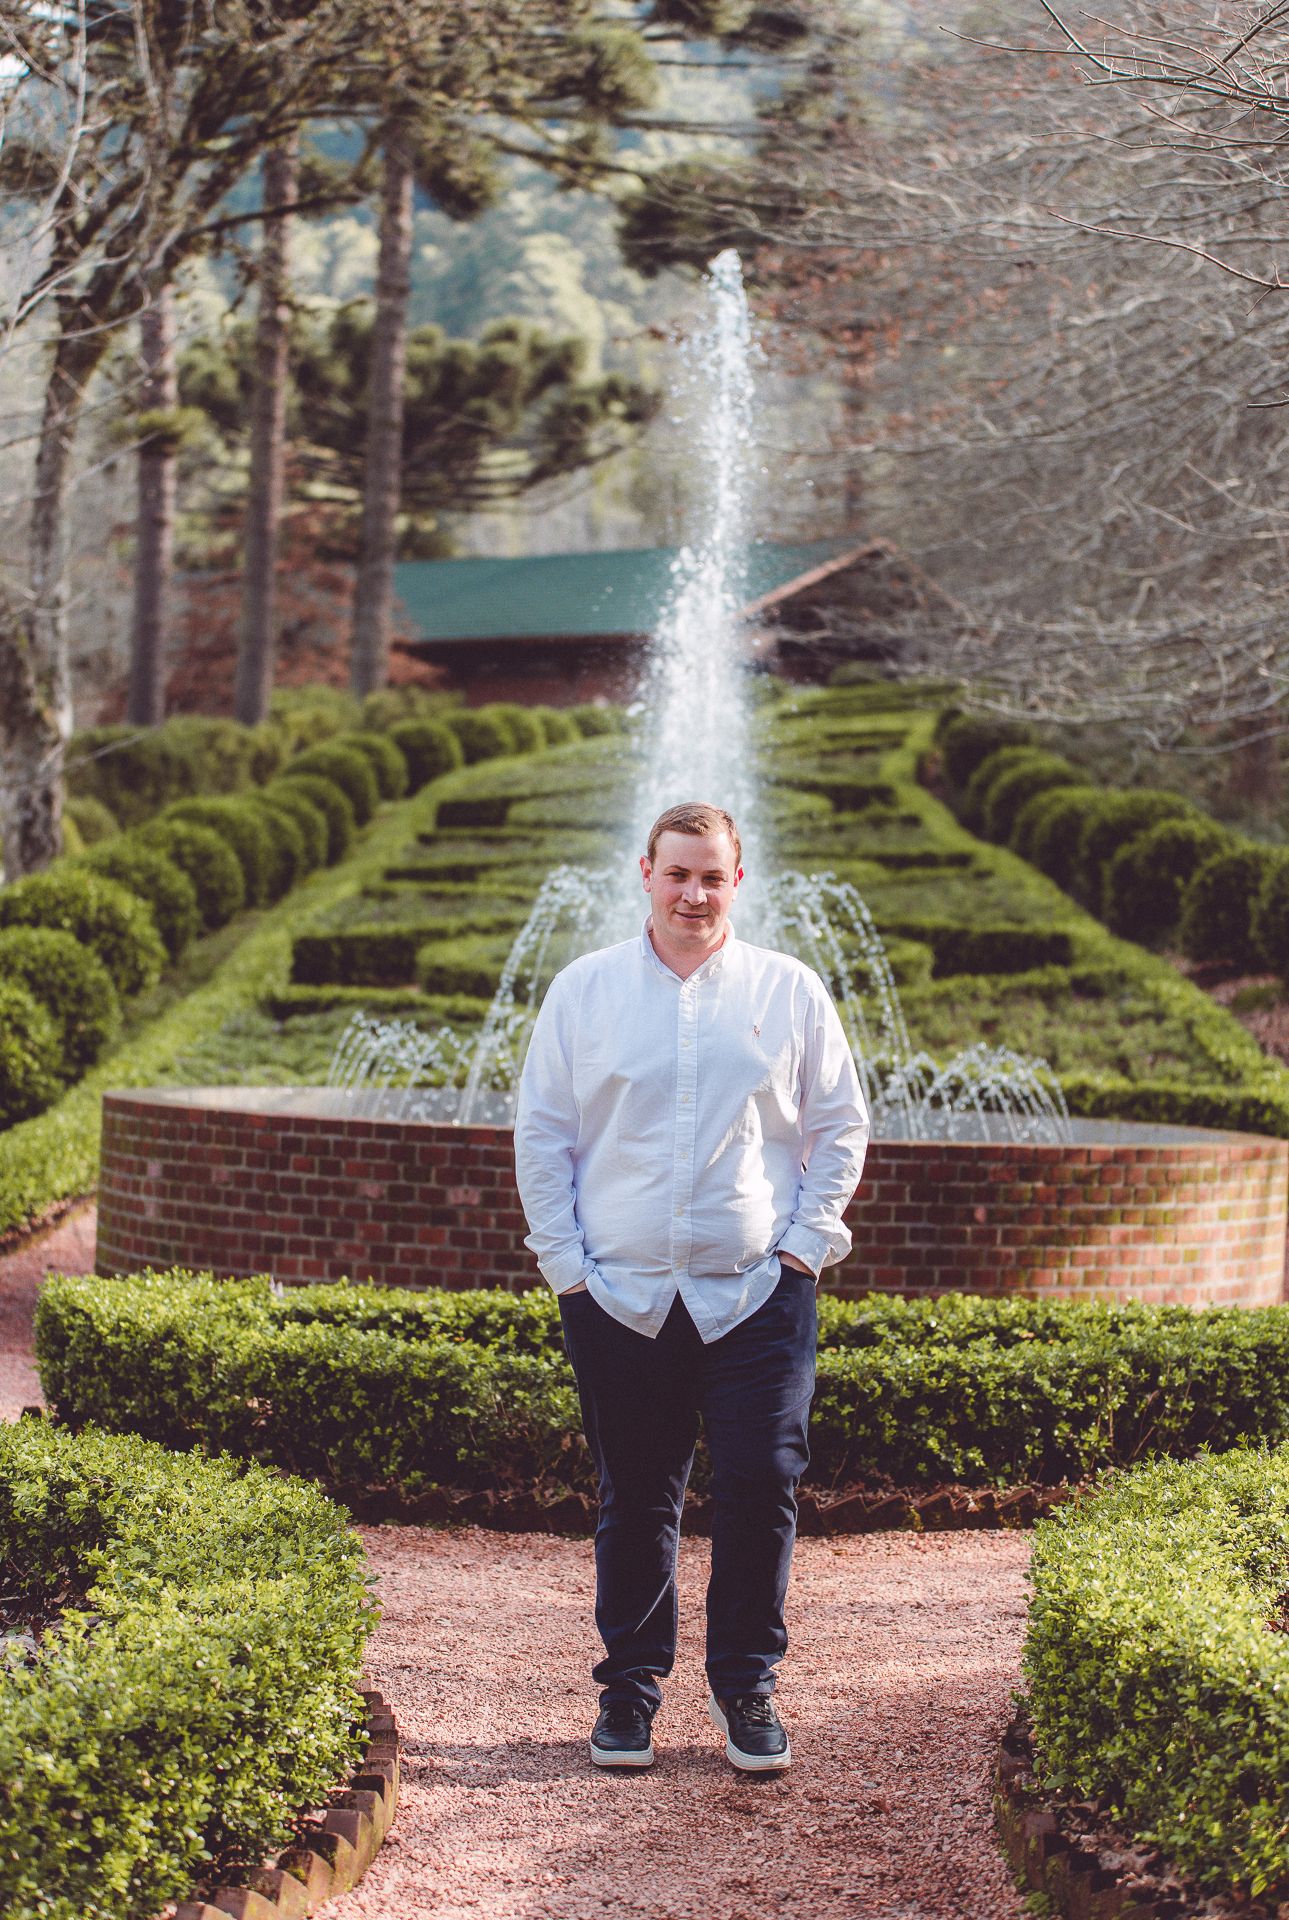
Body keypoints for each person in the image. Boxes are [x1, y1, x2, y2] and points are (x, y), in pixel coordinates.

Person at [513, 802, 869, 1774]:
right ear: (644, 872)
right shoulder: (583, 992)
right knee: (635, 1496)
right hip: (617, 1297)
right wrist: (567, 1268)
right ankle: (629, 1693)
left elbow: (838, 1123)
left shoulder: (788, 991)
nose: (693, 893)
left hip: (756, 1294)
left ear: (738, 882)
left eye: (711, 876)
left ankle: (744, 1689)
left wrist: (803, 1248)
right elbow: (542, 1133)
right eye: (676, 874)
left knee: (761, 1486)